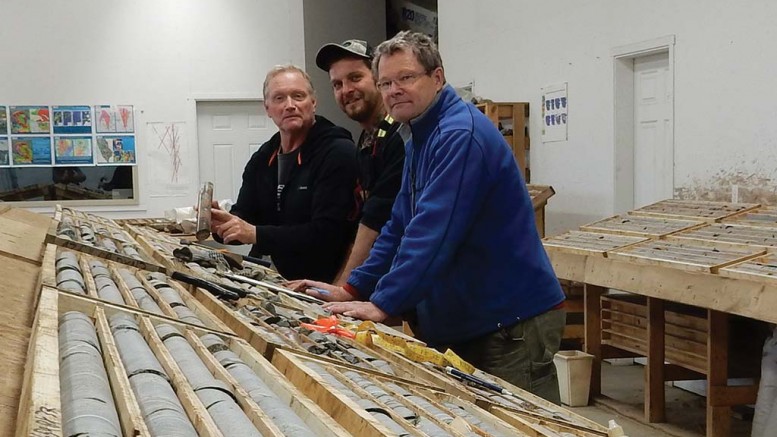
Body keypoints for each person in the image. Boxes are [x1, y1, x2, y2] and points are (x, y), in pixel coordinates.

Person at [290, 32, 566, 403]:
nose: (394, 90)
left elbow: (432, 233)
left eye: (406, 78)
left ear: (437, 78)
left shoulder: (459, 135)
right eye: (386, 82)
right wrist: (354, 288)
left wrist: (383, 302)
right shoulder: (419, 134)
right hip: (470, 320)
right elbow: (399, 224)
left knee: (524, 425)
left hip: (507, 323)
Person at [210, 65, 359, 283]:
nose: (290, 106)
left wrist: (256, 234)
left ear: (313, 102)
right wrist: (220, 224)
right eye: (279, 98)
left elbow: (327, 234)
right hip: (276, 279)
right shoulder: (263, 158)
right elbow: (245, 216)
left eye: (298, 96)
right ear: (267, 108)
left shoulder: (338, 153)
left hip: (323, 284)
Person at [313, 39, 405, 284]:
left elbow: (376, 221)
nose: (346, 90)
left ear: (378, 79)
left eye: (355, 78)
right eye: (337, 84)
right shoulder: (367, 140)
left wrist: (344, 287)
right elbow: (361, 224)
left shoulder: (401, 136)